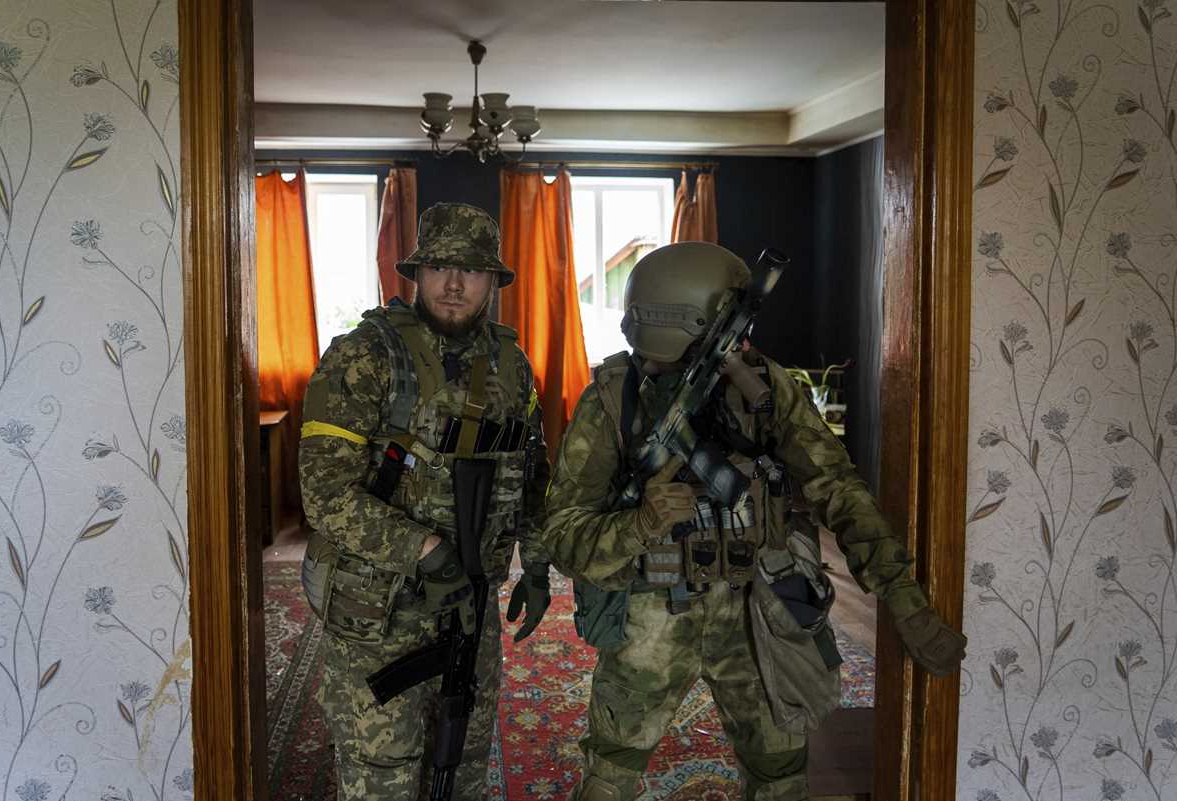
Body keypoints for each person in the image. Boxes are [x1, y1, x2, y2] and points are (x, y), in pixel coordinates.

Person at [542, 241, 967, 801]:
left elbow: (836, 487)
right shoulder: (610, 400)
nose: (745, 341)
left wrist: (903, 599)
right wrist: (639, 524)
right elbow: (563, 536)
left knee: (780, 775)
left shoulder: (765, 388)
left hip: (758, 606)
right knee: (609, 777)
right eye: (734, 326)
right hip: (651, 612)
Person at [298, 202, 553, 800]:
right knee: (381, 773)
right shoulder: (363, 356)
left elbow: (532, 475)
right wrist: (427, 551)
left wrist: (538, 565)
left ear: (493, 280)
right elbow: (325, 495)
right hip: (381, 607)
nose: (454, 284)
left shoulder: (512, 366)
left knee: (461, 760)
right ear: (416, 273)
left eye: (472, 270)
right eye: (439, 267)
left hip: (471, 603)